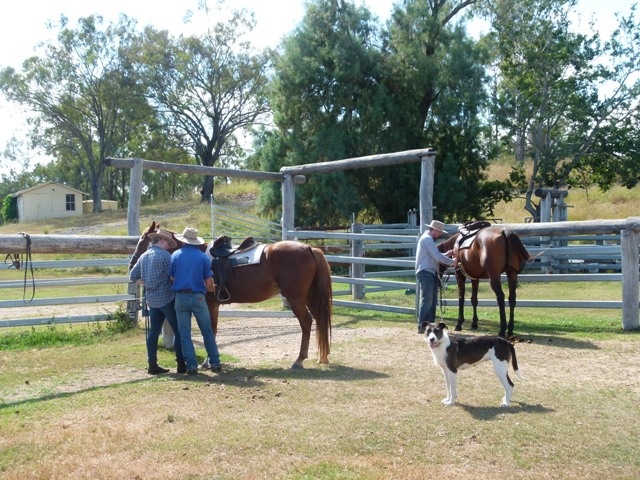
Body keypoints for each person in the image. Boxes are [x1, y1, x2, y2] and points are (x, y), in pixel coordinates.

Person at [129, 229, 186, 374]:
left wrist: (146, 282)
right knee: (179, 330)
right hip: (167, 298)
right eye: (168, 242)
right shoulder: (165, 256)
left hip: (152, 299)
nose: (169, 245)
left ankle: (152, 364)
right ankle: (181, 364)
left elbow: (133, 275)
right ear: (162, 241)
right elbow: (173, 276)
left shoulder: (143, 256)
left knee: (154, 331)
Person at [170, 226, 222, 375]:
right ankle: (215, 363)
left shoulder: (175, 255)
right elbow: (209, 281)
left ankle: (191, 366)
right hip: (198, 296)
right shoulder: (203, 257)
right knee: (207, 331)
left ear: (183, 241)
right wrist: (211, 289)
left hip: (180, 297)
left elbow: (172, 277)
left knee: (185, 333)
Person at [415, 220, 457, 334]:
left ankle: (430, 326)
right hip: (426, 272)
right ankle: (422, 326)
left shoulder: (427, 238)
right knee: (428, 300)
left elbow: (434, 255)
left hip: (429, 272)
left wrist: (446, 255)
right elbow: (436, 256)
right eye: (439, 232)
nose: (439, 235)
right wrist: (452, 262)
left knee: (432, 300)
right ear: (434, 230)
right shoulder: (427, 239)